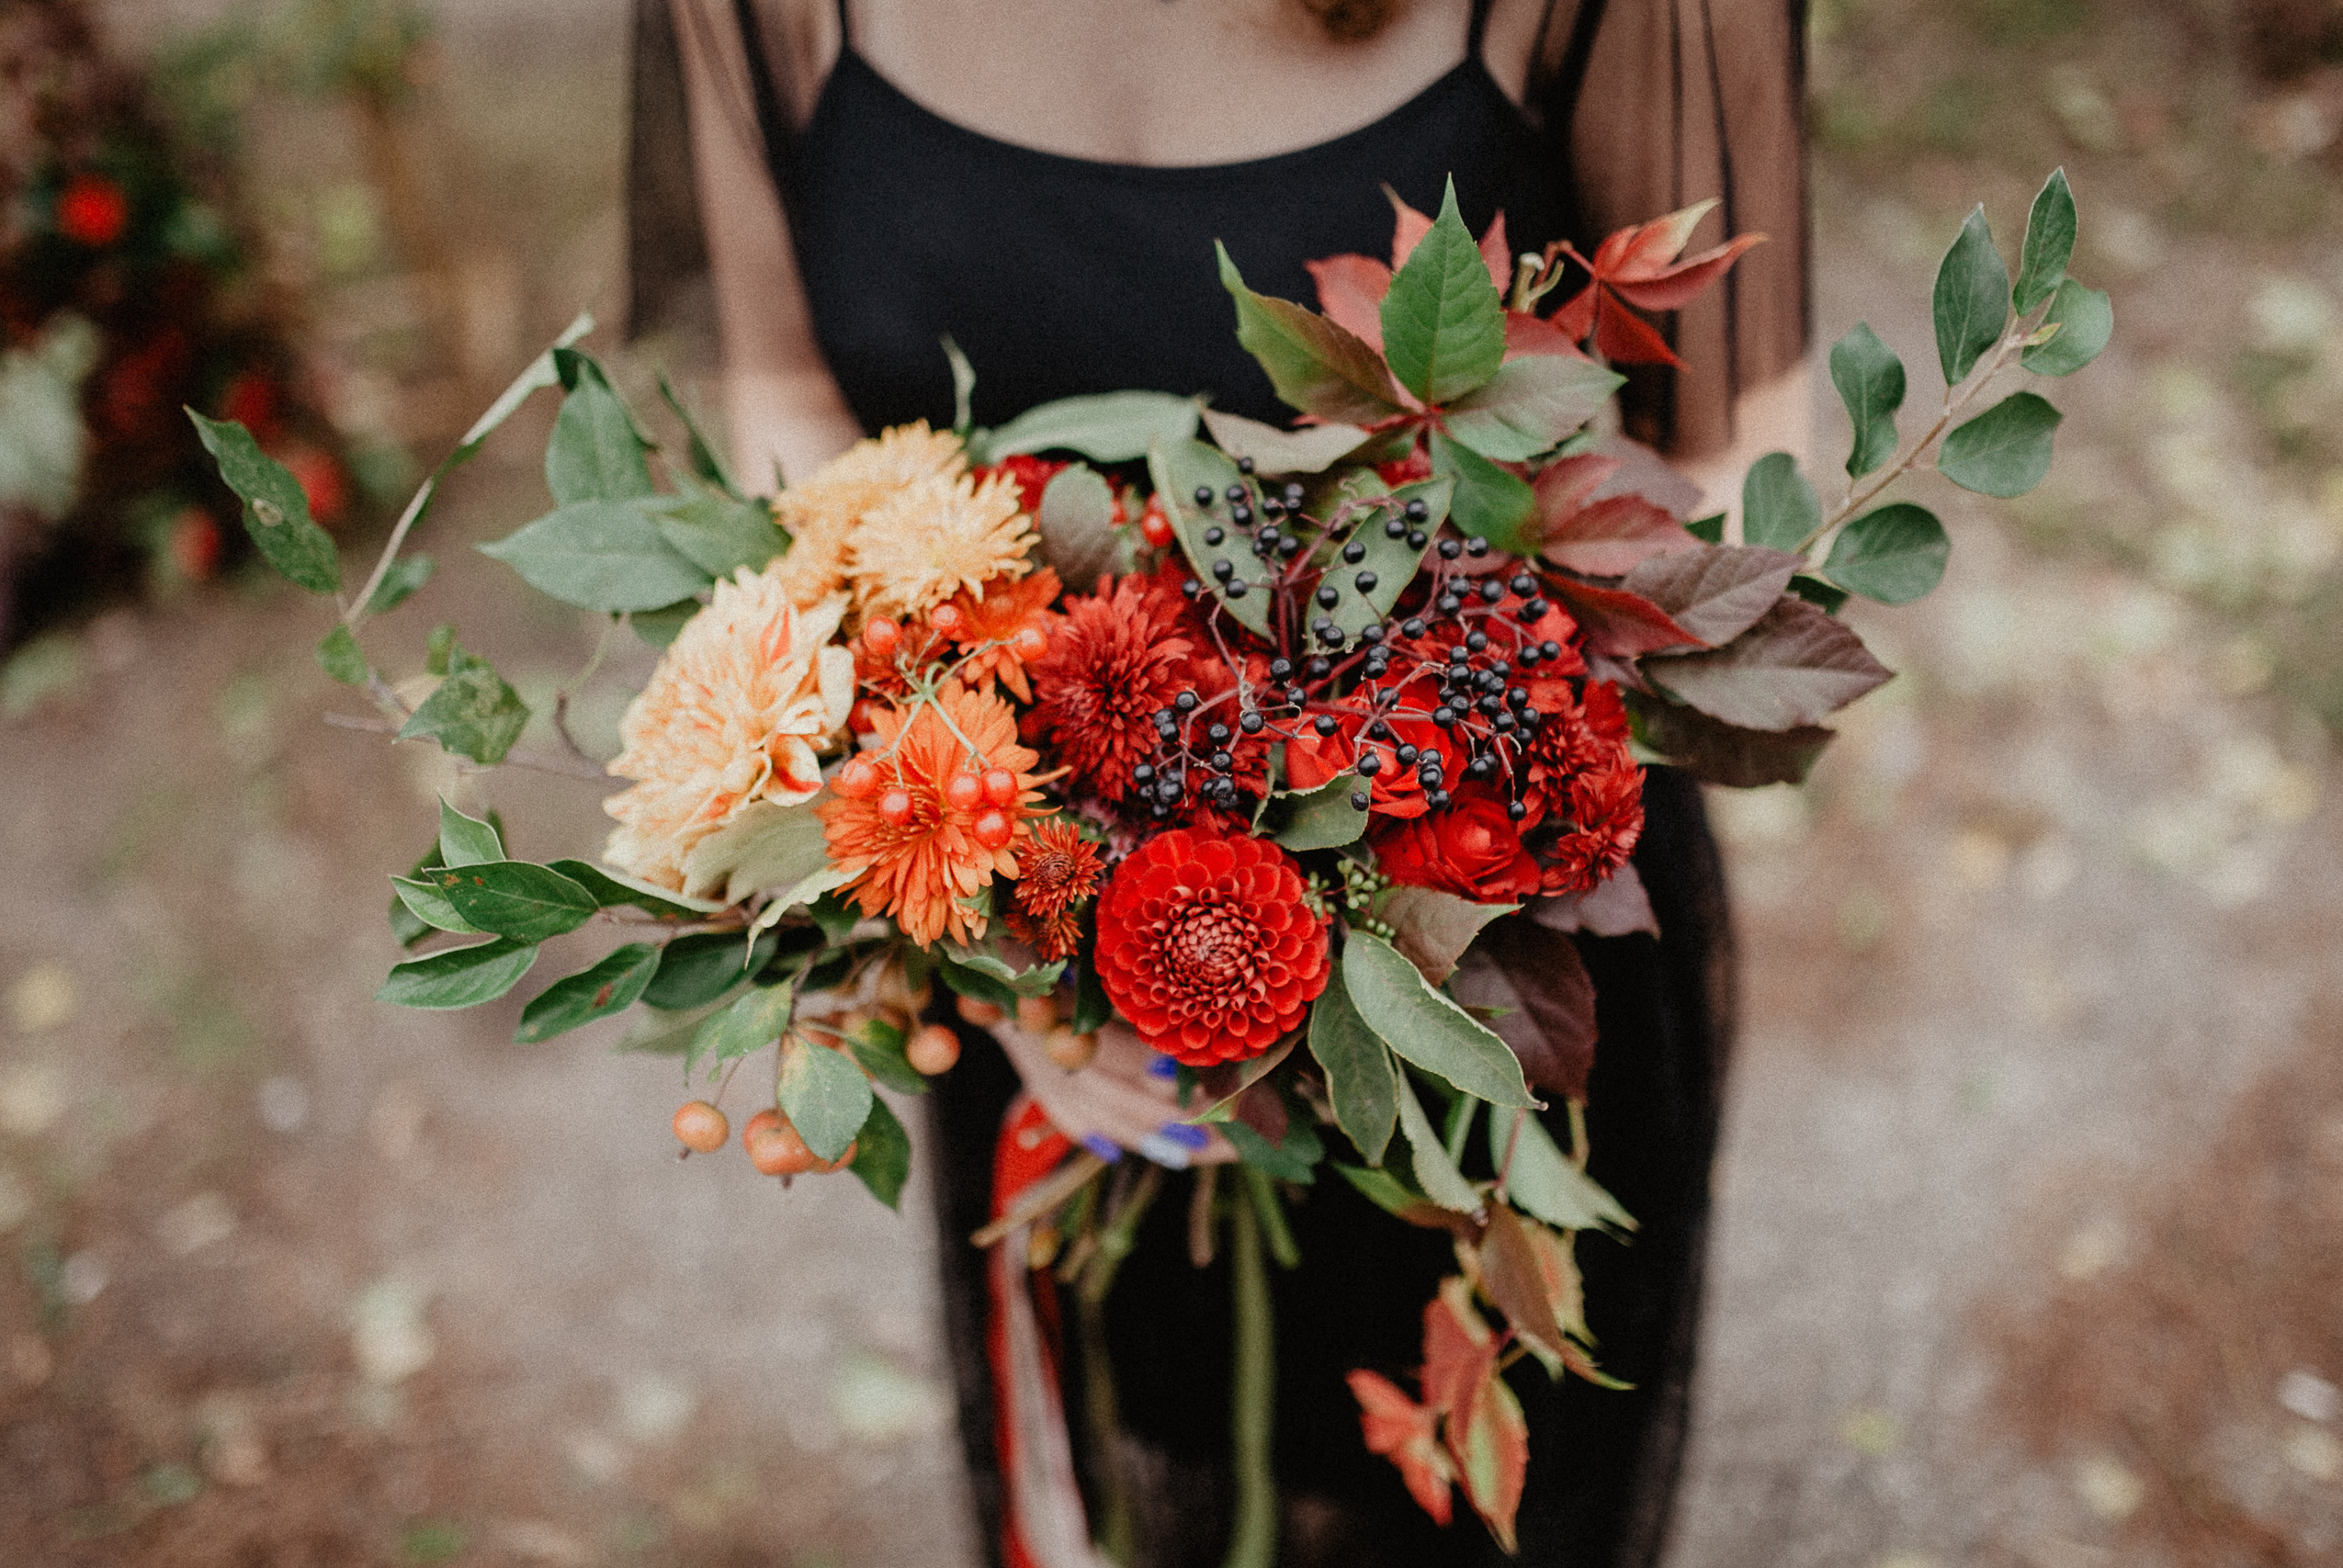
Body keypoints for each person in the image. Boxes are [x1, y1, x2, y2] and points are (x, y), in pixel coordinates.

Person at [628, 3, 1807, 1563]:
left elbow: (1741, 455)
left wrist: (1382, 847)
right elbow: (788, 401)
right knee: (1145, 1476)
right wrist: (1000, 948)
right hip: (1048, 951)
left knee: (1481, 1502)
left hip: (1484, 975)